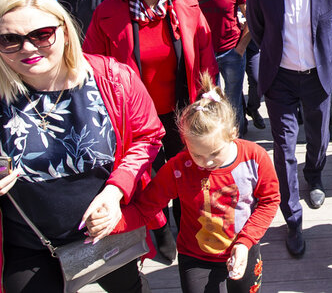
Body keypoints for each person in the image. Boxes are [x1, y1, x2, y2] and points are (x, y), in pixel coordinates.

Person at [0, 0, 165, 292]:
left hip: (105, 231)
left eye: (41, 34)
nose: (27, 47)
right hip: (29, 244)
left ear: (63, 32)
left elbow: (148, 136)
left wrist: (116, 192)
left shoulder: (112, 77)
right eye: (10, 39)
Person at [83, 0, 218, 261]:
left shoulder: (186, 5)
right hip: (133, 121)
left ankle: (186, 229)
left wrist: (209, 90)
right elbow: (89, 67)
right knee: (146, 181)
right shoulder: (107, 14)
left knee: (186, 175)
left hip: (181, 113)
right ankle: (159, 232)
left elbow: (205, 52)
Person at [90, 74, 281, 293]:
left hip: (243, 248)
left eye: (214, 153)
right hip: (196, 257)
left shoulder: (255, 157)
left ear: (233, 133)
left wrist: (245, 242)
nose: (206, 162)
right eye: (197, 154)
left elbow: (269, 200)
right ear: (185, 141)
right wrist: (112, 224)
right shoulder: (179, 167)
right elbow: (146, 208)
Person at [246, 0, 332, 258]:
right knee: (283, 146)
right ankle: (292, 218)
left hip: (318, 76)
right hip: (280, 79)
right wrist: (276, 56)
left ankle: (315, 175)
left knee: (319, 138)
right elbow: (258, 26)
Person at [182, 0, 250, 135]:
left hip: (231, 52)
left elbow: (252, 19)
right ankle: (217, 135)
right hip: (203, 54)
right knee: (210, 98)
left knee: (233, 96)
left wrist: (240, 49)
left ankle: (237, 135)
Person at [218, 0, 265, 130]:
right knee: (232, 87)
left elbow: (256, 12)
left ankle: (253, 108)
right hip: (228, 45)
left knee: (257, 78)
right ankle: (240, 118)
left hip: (249, 41)